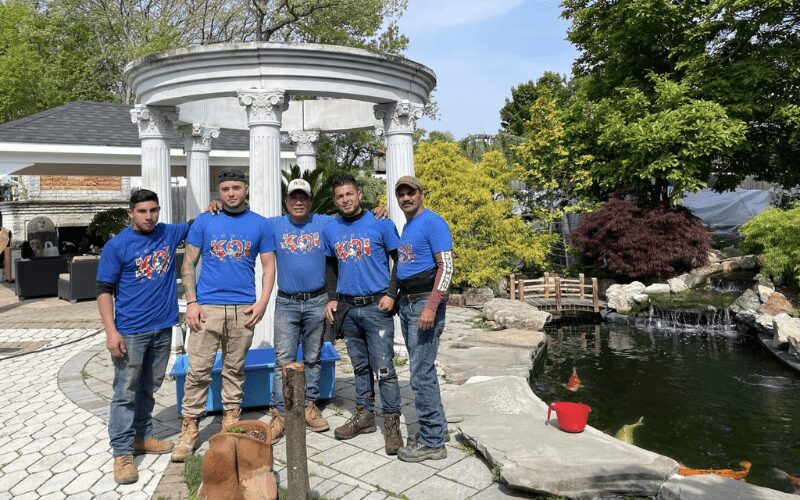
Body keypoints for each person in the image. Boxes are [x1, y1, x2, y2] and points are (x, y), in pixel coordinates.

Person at [171, 168, 276, 462]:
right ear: (219, 192)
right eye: (226, 188)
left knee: (234, 369)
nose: (231, 193)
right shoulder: (206, 221)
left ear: (246, 189)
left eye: (236, 187)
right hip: (207, 308)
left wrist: (263, 302)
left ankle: (231, 420)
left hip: (243, 308)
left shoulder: (261, 225)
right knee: (198, 371)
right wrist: (191, 302)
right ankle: (189, 428)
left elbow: (269, 266)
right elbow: (189, 264)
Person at [96, 189, 188, 484]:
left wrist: (213, 207)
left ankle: (143, 436)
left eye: (154, 210)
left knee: (150, 385)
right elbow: (103, 292)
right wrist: (111, 332)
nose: (149, 216)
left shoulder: (167, 233)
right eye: (142, 211)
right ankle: (122, 452)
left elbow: (196, 225)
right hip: (131, 330)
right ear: (131, 213)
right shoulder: (117, 245)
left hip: (163, 327)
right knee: (125, 391)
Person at [322, 173, 404, 455]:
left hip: (375, 307)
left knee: (384, 370)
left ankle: (392, 425)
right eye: (340, 196)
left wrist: (392, 293)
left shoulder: (380, 223)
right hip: (348, 309)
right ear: (335, 200)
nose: (345, 200)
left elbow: (399, 260)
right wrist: (332, 299)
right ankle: (365, 415)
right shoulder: (331, 229)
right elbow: (330, 267)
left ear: (359, 195)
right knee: (359, 367)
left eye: (349, 194)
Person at [392, 176, 454, 462]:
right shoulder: (408, 226)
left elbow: (447, 267)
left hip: (423, 304)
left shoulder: (433, 223)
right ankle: (437, 429)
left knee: (420, 373)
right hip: (407, 303)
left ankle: (431, 442)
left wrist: (431, 305)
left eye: (411, 193)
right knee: (422, 370)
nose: (406, 198)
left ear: (421, 194)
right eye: (401, 194)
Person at [265, 179, 332, 443]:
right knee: (283, 358)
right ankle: (280, 413)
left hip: (317, 300)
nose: (298, 202)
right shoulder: (273, 225)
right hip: (287, 302)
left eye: (303, 197)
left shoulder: (324, 223)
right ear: (286, 202)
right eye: (294, 197)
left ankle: (308, 405)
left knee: (313, 356)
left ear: (310, 201)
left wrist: (379, 212)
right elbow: (243, 221)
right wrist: (216, 207)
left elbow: (353, 218)